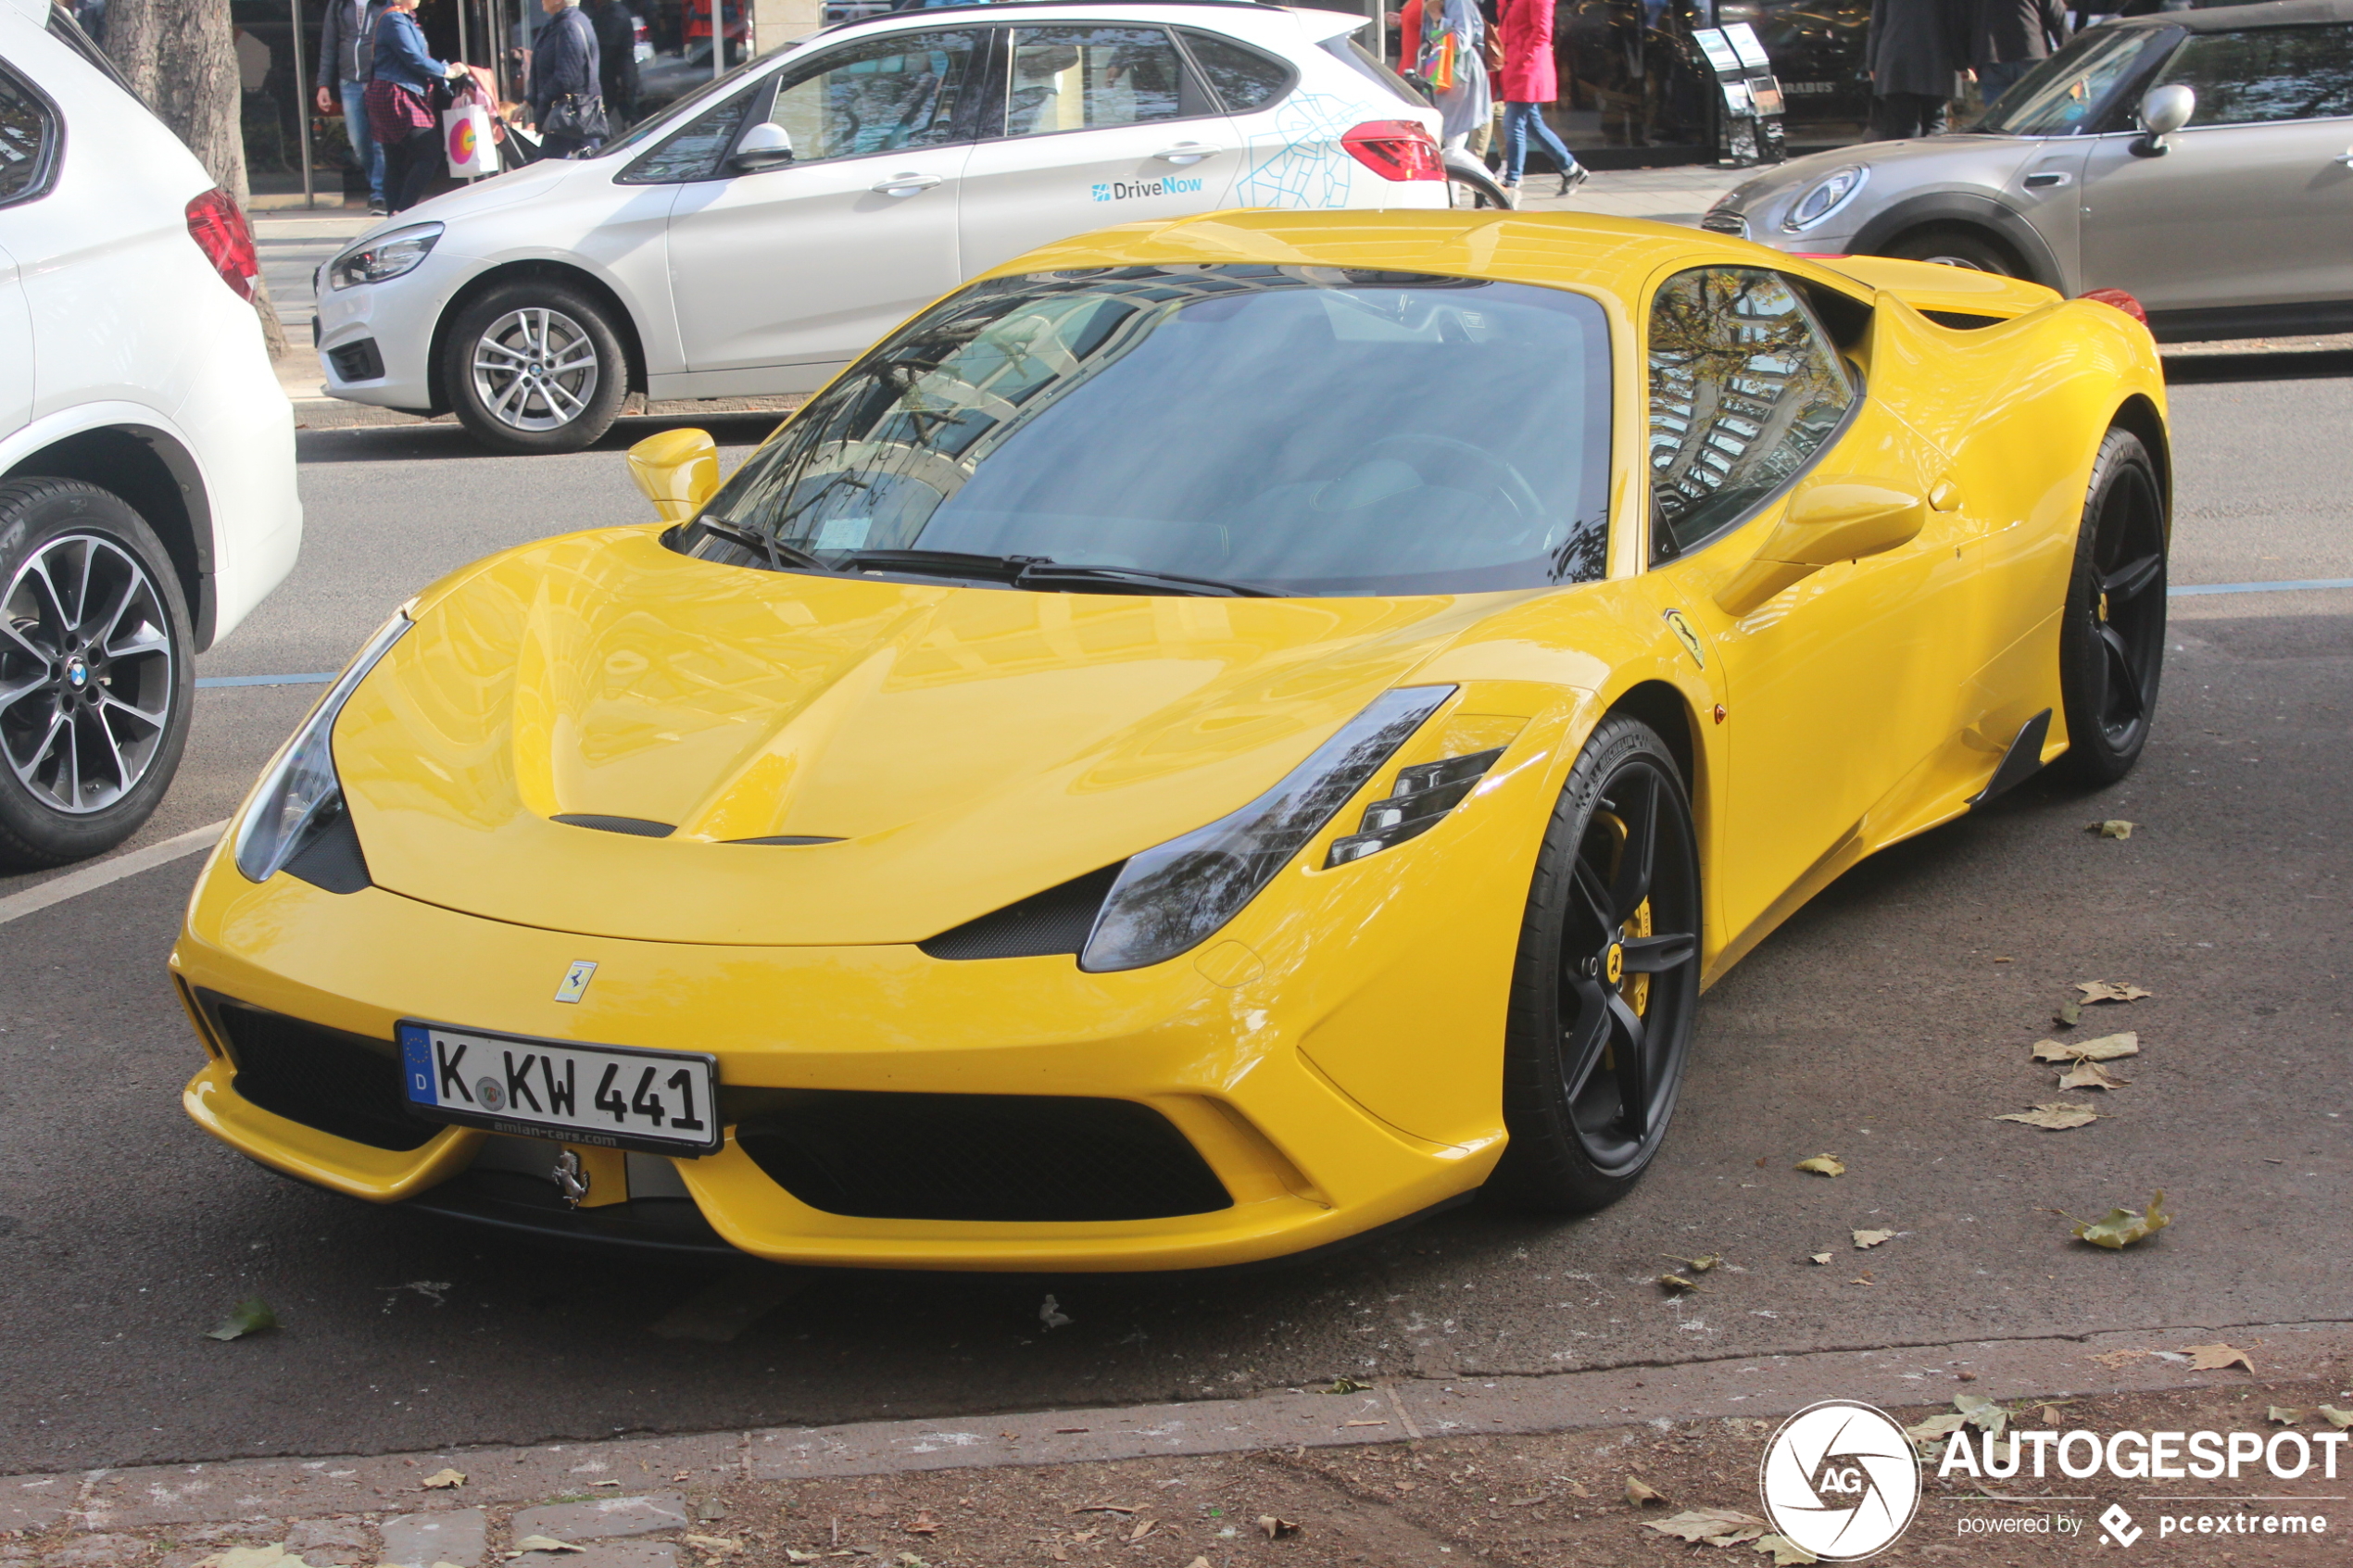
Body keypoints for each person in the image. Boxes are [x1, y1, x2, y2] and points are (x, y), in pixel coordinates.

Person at [367, 0, 468, 213]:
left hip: (392, 93)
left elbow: (418, 59)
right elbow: (414, 58)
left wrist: (443, 72)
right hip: (396, 95)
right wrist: (447, 71)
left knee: (395, 161)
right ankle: (402, 212)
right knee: (428, 153)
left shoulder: (404, 18)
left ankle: (394, 222)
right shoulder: (395, 19)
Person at [1495, 0, 1585, 203]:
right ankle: (1571, 168)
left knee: (1513, 122)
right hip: (1514, 65)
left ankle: (1513, 180)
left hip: (1528, 67)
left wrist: (1521, 57)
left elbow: (1542, 31)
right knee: (1531, 125)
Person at [317, 0, 386, 213]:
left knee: (379, 142)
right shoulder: (340, 4)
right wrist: (323, 84)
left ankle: (380, 194)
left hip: (379, 79)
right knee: (359, 142)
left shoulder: (384, 3)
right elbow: (329, 45)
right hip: (349, 83)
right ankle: (380, 185)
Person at [1864, 0, 1969, 139]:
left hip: (1895, 63)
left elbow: (1876, 25)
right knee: (1935, 123)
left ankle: (1908, 157)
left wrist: (1872, 64)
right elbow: (1954, 24)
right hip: (1935, 60)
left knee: (1904, 127)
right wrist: (1962, 64)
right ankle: (1933, 158)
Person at [1399, 0, 1491, 152]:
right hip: (1439, 70)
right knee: (1438, 136)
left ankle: (1465, 173)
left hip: (1458, 73)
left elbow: (1460, 41)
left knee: (1453, 142)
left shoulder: (1458, 2)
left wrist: (1436, 16)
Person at [527, 0, 605, 159]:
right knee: (589, 165)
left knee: (544, 171)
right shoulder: (559, 23)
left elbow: (567, 76)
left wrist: (542, 98)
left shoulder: (568, 26)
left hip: (570, 115)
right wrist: (529, 100)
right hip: (571, 116)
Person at [1969, 0, 2069, 106]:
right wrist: (2070, 54)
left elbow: (1959, 16)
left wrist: (1962, 62)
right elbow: (2057, 15)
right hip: (2031, 52)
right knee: (2038, 110)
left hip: (1990, 56)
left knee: (2000, 116)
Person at [584, 0, 640, 132]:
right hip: (615, 74)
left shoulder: (615, 14)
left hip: (616, 74)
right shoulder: (607, 11)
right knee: (625, 115)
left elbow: (608, 50)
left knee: (626, 115)